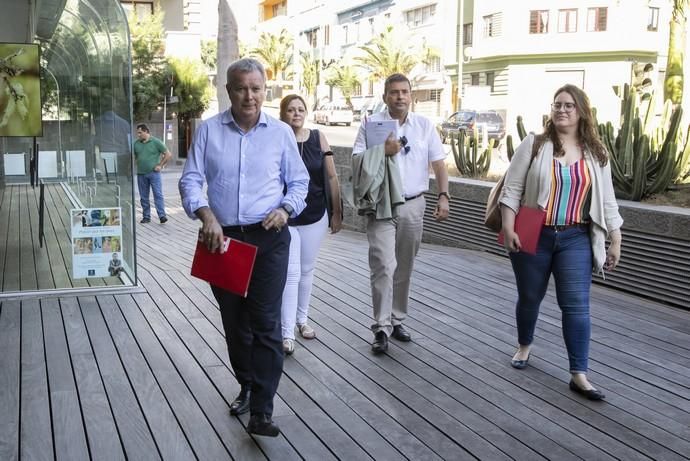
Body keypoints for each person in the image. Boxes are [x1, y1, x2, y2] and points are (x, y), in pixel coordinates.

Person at [179, 58, 309, 436]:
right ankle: (248, 385)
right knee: (235, 325)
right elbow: (190, 180)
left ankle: (262, 411)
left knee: (266, 323)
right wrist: (206, 216)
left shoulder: (282, 132)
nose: (249, 96)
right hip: (222, 242)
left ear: (264, 90)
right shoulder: (208, 131)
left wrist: (286, 209)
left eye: (256, 88)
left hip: (270, 239)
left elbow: (298, 183)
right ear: (228, 91)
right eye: (241, 88)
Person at [499, 84, 623, 401]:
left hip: (576, 237)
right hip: (534, 233)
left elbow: (608, 201)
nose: (562, 110)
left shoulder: (597, 153)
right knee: (530, 297)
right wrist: (510, 228)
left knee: (577, 306)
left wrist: (615, 238)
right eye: (557, 105)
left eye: (568, 105)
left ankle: (578, 373)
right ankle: (524, 345)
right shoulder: (535, 144)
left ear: (581, 111)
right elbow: (511, 191)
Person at [352, 73, 450, 354]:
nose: (399, 97)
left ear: (411, 95)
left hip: (413, 204)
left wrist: (443, 196)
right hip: (382, 204)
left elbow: (440, 164)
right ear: (385, 96)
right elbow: (357, 160)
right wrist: (382, 150)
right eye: (394, 92)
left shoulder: (423, 126)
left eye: (404, 92)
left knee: (404, 266)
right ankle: (381, 327)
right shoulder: (372, 125)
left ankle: (396, 320)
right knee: (383, 264)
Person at [278, 94, 342, 355]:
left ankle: (302, 320)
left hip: (316, 214)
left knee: (307, 270)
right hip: (286, 216)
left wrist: (337, 212)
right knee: (291, 274)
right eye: (291, 110)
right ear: (282, 113)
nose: (296, 113)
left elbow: (332, 176)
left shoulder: (318, 137)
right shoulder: (277, 137)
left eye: (300, 109)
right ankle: (286, 332)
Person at [134, 123, 172, 224]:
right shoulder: (136, 144)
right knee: (143, 197)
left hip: (154, 174)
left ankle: (162, 216)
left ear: (146, 131)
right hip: (141, 174)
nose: (138, 135)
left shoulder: (156, 142)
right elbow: (134, 157)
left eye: (140, 133)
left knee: (158, 194)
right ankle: (146, 217)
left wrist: (160, 165)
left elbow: (168, 154)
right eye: (137, 133)